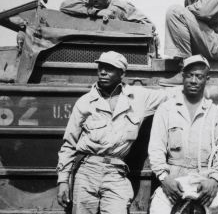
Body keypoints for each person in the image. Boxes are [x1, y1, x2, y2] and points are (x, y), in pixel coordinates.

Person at [56, 51, 180, 214]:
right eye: (101, 67)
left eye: (110, 68)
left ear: (122, 73)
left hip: (117, 172)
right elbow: (69, 144)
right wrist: (63, 181)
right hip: (87, 171)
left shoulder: (139, 97)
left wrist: (208, 90)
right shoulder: (85, 102)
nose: (103, 72)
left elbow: (172, 95)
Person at [148, 55, 218, 213]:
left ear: (206, 79)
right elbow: (156, 148)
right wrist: (165, 178)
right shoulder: (166, 109)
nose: (194, 80)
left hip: (205, 180)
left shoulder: (216, 114)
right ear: (183, 76)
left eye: (199, 76)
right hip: (174, 179)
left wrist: (214, 181)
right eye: (189, 75)